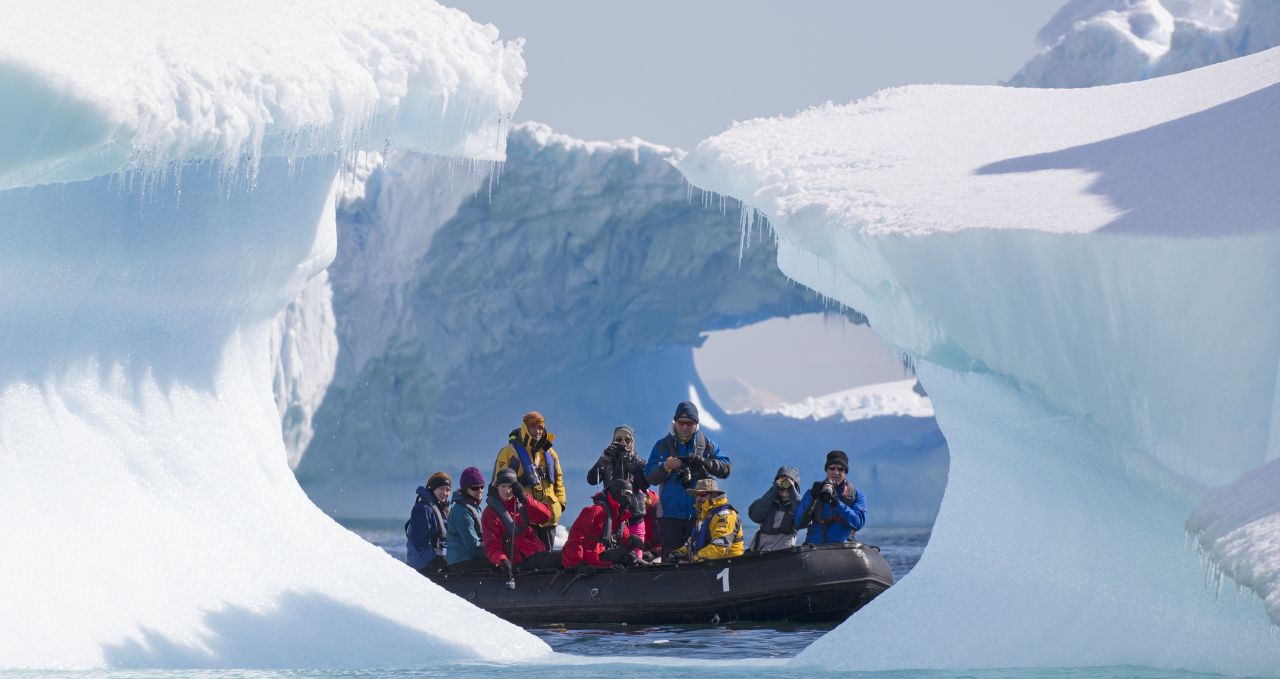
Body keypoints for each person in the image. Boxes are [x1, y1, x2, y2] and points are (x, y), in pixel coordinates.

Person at [644, 400, 732, 557]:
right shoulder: (662, 446)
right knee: (671, 560)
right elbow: (649, 475)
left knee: (699, 558)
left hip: (700, 515)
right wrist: (666, 467)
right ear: (675, 422)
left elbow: (726, 468)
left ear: (696, 424)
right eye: (681, 423)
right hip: (669, 516)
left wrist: (705, 462)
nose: (684, 427)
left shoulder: (707, 445)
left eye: (689, 423)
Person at [493, 411, 566, 550]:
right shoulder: (509, 452)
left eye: (540, 427)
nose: (537, 431)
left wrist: (561, 504)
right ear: (525, 428)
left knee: (547, 562)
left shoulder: (550, 453)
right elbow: (499, 484)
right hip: (524, 518)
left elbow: (558, 480)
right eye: (533, 427)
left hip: (549, 518)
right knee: (529, 561)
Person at [481, 468, 562, 577]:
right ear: (497, 487)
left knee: (566, 557)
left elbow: (545, 517)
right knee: (561, 558)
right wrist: (503, 560)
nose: (507, 491)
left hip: (535, 553)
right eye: (503, 486)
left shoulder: (522, 502)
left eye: (510, 486)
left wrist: (525, 498)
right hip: (518, 562)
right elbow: (492, 546)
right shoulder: (490, 513)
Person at [562, 479, 644, 570]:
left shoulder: (621, 516)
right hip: (589, 558)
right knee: (624, 555)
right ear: (616, 493)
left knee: (631, 556)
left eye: (631, 495)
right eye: (626, 493)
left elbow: (624, 538)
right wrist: (577, 564)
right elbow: (575, 538)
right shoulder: (596, 511)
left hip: (603, 556)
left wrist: (631, 541)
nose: (629, 498)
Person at [795, 450, 867, 545]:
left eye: (840, 469)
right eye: (832, 468)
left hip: (844, 550)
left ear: (846, 471)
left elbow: (858, 524)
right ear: (826, 470)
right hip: (815, 548)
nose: (836, 472)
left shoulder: (856, 495)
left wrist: (838, 504)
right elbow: (798, 524)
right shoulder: (813, 492)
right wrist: (812, 498)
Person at [669, 478, 743, 561]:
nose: (698, 499)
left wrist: (695, 558)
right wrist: (679, 553)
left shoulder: (724, 515)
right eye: (697, 495)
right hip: (708, 564)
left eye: (703, 495)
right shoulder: (703, 515)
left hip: (728, 565)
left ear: (713, 495)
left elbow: (719, 547)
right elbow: (693, 541)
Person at [405, 472, 451, 573]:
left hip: (436, 559)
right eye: (441, 489)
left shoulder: (440, 509)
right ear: (432, 489)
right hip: (422, 566)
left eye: (448, 490)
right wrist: (435, 562)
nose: (445, 493)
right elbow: (420, 542)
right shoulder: (422, 509)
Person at [748, 466, 801, 552]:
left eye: (786, 482)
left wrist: (792, 490)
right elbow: (755, 516)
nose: (784, 487)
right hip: (759, 551)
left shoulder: (797, 505)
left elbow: (803, 520)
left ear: (795, 485)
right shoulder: (768, 501)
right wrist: (774, 489)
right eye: (780, 482)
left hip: (783, 554)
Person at [446, 466, 489, 571]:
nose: (479, 490)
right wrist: (495, 551)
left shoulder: (473, 506)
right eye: (475, 488)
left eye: (482, 487)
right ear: (465, 489)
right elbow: (473, 546)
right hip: (461, 562)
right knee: (500, 561)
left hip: (470, 558)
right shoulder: (462, 511)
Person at [587, 425, 648, 493]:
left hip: (631, 501)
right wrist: (604, 458)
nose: (623, 442)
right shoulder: (607, 460)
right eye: (619, 440)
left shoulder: (639, 462)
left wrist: (632, 464)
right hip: (610, 501)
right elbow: (591, 480)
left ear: (632, 442)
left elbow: (645, 485)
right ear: (613, 442)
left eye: (627, 440)